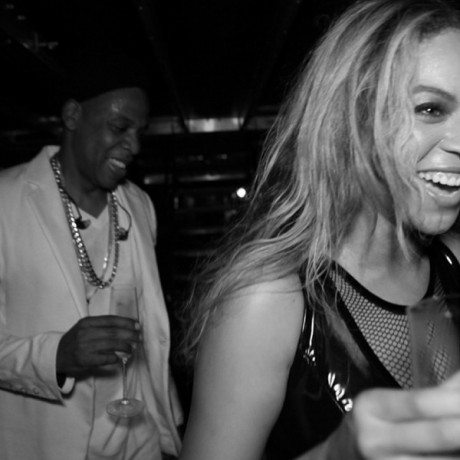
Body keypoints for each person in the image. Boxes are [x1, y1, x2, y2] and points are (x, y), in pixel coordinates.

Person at [177, 0, 460, 458]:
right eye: (430, 108)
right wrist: (339, 452)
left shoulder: (454, 263)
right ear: (353, 116)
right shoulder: (268, 299)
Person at [0, 49, 182, 459]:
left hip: (136, 442)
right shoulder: (5, 201)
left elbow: (152, 334)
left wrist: (169, 424)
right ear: (72, 116)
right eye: (119, 127)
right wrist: (57, 356)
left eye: (139, 131)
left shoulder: (139, 205)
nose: (133, 145)